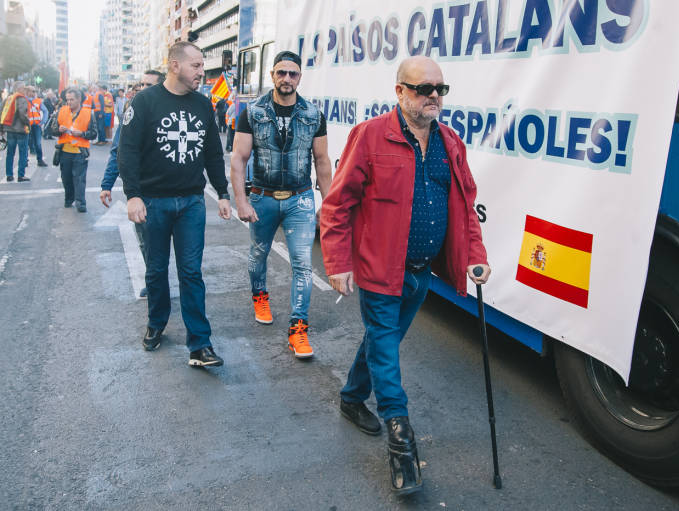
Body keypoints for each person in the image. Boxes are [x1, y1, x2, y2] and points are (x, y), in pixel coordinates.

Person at [319, 56, 490, 495]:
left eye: (440, 89)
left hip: (420, 273)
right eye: (423, 88)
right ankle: (401, 441)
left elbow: (465, 207)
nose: (433, 96)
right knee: (386, 348)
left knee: (384, 341)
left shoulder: (450, 142)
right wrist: (338, 262)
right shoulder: (371, 136)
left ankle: (352, 396)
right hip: (379, 269)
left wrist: (475, 254)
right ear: (399, 91)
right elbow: (337, 205)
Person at [118, 42, 231, 367]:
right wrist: (133, 195)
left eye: (202, 66)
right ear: (174, 66)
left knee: (191, 272)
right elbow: (128, 151)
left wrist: (223, 193)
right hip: (152, 202)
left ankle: (200, 344)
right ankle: (156, 323)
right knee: (156, 270)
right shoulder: (144, 101)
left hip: (191, 203)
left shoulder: (203, 105)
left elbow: (212, 153)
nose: (202, 72)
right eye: (196, 66)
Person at [230, 50, 332, 358]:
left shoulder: (313, 114)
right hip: (262, 197)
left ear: (299, 77)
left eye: (293, 73)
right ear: (272, 75)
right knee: (258, 254)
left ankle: (298, 329)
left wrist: (330, 204)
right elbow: (239, 158)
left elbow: (322, 161)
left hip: (300, 199)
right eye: (281, 72)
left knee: (302, 264)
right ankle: (260, 296)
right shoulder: (253, 112)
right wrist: (241, 201)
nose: (287, 78)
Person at [100, 70, 165, 299]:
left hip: (170, 190)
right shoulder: (132, 112)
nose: (142, 89)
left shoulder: (171, 109)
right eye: (141, 85)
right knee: (147, 242)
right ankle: (155, 282)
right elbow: (118, 152)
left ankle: (160, 280)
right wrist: (107, 184)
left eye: (148, 85)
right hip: (142, 191)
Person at [50, 88, 98, 212]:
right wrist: (58, 130)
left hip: (80, 152)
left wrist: (82, 134)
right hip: (64, 151)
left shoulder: (88, 113)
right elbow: (53, 130)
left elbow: (94, 134)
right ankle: (69, 199)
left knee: (79, 179)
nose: (69, 102)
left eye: (71, 99)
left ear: (79, 99)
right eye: (67, 100)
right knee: (66, 178)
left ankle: (80, 203)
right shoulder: (61, 111)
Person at [1, 82, 31, 182]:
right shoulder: (21, 99)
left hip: (9, 129)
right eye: (24, 88)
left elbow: (2, 113)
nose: (25, 90)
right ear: (20, 89)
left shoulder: (8, 99)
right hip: (21, 129)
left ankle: (9, 175)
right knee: (23, 153)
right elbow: (23, 114)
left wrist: (1, 128)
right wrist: (28, 124)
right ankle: (21, 175)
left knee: (10, 153)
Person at [27, 87, 49, 167]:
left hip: (36, 125)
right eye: (32, 91)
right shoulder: (24, 100)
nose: (34, 93)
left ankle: (40, 160)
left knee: (38, 143)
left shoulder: (38, 101)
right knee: (26, 143)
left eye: (35, 91)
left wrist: (43, 122)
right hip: (27, 125)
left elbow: (45, 111)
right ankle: (25, 160)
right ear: (28, 91)